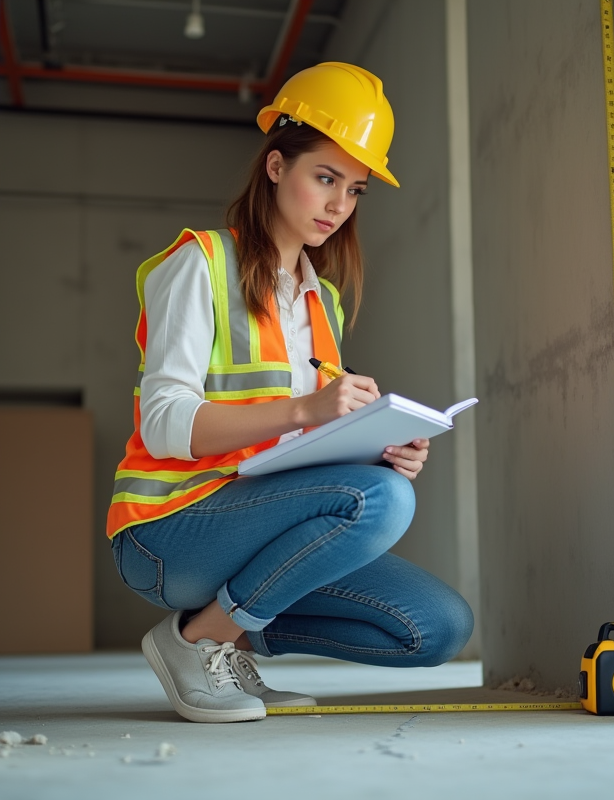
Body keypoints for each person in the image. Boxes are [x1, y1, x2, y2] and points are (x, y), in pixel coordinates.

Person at [106, 62, 474, 723]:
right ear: (277, 166)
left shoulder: (321, 301)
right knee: (383, 501)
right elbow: (164, 423)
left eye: (355, 189)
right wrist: (310, 410)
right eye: (325, 178)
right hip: (169, 536)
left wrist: (377, 447)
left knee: (437, 626)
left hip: (256, 531)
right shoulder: (200, 263)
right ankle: (199, 637)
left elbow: (300, 449)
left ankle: (227, 633)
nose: (338, 204)